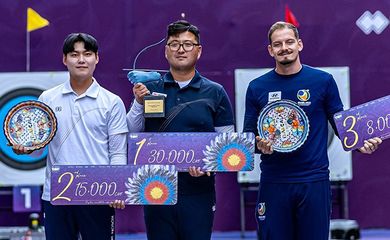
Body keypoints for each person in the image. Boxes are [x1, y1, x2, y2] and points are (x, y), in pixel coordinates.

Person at [243, 21, 382, 240]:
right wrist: (259, 146)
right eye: (277, 44)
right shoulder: (256, 87)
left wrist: (360, 143)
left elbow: (340, 123)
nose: (284, 48)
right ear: (270, 50)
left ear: (300, 44)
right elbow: (248, 137)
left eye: (289, 42)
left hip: (314, 181)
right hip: (274, 181)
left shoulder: (323, 81)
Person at [11, 33, 128, 240]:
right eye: (74, 54)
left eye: (87, 54)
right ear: (65, 59)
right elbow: (37, 148)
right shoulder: (47, 98)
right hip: (57, 196)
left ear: (97, 58)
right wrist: (26, 147)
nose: (81, 60)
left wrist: (116, 187)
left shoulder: (112, 102)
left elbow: (118, 151)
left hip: (97, 195)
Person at [127, 20, 234, 240]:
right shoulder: (150, 89)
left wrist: (208, 165)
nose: (181, 49)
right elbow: (131, 133)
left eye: (188, 44)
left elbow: (228, 143)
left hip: (198, 192)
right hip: (156, 188)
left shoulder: (215, 92)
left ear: (199, 50)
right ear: (166, 51)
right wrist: (138, 102)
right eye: (174, 44)